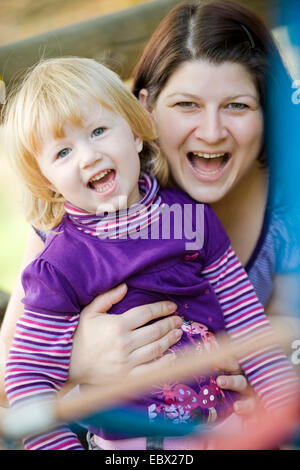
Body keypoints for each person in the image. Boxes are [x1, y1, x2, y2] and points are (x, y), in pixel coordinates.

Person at [0, 0, 296, 434]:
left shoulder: (215, 220)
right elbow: (18, 374)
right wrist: (77, 361)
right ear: (145, 110)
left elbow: (261, 339)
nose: (211, 131)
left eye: (237, 105)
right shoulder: (66, 235)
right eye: (186, 104)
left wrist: (276, 409)